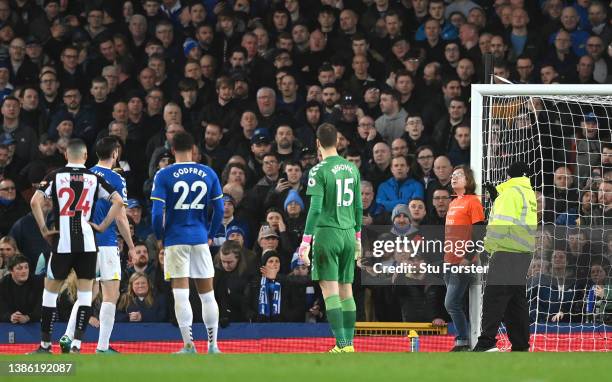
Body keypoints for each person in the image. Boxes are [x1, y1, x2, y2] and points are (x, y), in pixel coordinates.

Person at [29, 138, 124, 353]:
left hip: (63, 242)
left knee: (49, 294)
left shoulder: (55, 175)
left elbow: (35, 201)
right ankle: (77, 345)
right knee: (85, 295)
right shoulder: (94, 177)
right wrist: (101, 226)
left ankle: (45, 345)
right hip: (88, 243)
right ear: (85, 156)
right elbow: (118, 201)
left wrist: (44, 229)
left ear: (66, 155)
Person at [59, 137, 136, 353]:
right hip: (106, 242)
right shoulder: (115, 178)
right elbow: (121, 217)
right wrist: (130, 246)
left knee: (87, 293)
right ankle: (102, 347)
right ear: (116, 153)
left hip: (83, 241)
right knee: (111, 294)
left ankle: (67, 336)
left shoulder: (84, 175)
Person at [151, 131, 224, 354]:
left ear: (172, 151)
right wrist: (210, 233)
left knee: (180, 293)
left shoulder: (164, 174)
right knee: (207, 294)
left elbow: (156, 213)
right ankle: (213, 345)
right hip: (200, 238)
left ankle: (189, 345)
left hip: (175, 239)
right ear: (194, 150)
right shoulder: (208, 172)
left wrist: (160, 237)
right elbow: (219, 209)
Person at [298, 123, 362, 353]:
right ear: (338, 141)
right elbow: (358, 206)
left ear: (317, 143)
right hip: (348, 234)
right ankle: (350, 346)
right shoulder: (351, 168)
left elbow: (315, 209)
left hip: (327, 233)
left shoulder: (318, 170)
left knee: (330, 291)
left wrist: (305, 242)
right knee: (347, 291)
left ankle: (342, 344)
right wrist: (358, 239)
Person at [474, 161, 537, 352]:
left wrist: (487, 249)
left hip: (505, 251)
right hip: (524, 253)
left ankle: (487, 342)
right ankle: (520, 344)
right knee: (515, 300)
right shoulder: (528, 193)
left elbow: (500, 225)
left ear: (509, 176)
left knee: (494, 297)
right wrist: (497, 199)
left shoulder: (510, 194)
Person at [444, 165, 485, 351]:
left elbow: (479, 231)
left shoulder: (473, 201)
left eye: (458, 175)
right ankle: (464, 340)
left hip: (464, 262)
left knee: (451, 302)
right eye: (452, 175)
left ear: (468, 180)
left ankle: (462, 341)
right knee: (456, 303)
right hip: (449, 261)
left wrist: (468, 257)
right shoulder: (453, 202)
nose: (454, 178)